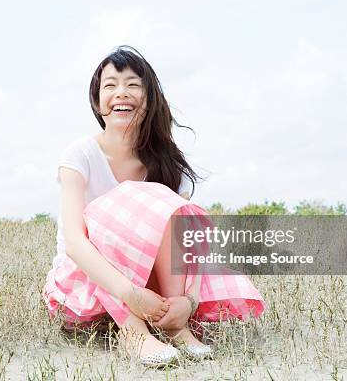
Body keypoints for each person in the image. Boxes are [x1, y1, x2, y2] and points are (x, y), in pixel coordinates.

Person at [43, 45, 265, 368]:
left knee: (171, 215)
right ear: (97, 101)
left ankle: (175, 326)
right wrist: (130, 293)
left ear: (149, 100)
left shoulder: (164, 162)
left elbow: (184, 243)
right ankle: (132, 332)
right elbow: (76, 244)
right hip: (86, 279)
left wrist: (187, 302)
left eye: (133, 85)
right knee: (109, 215)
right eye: (110, 85)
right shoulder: (80, 155)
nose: (122, 93)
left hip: (146, 278)